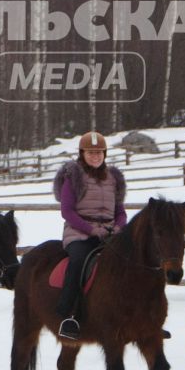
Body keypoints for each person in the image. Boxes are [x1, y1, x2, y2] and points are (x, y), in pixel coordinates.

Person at [53, 130, 127, 339]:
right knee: (78, 261)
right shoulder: (73, 176)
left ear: (105, 154)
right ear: (82, 153)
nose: (95, 156)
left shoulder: (114, 178)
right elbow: (67, 211)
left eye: (99, 152)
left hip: (111, 233)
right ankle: (70, 315)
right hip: (79, 233)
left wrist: (119, 227)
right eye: (90, 152)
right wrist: (92, 230)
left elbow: (120, 211)